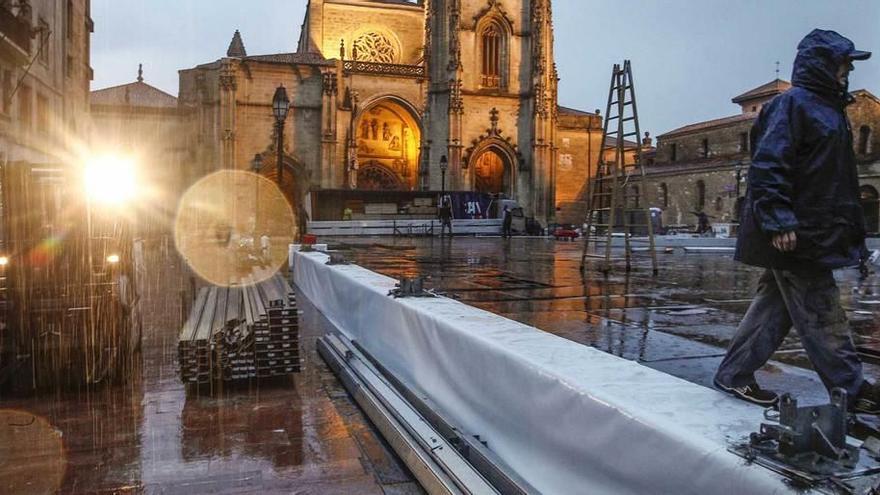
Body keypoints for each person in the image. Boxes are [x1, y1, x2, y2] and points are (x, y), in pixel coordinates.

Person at [713, 29, 879, 413]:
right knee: (821, 310)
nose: (847, 70)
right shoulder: (793, 106)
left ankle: (734, 374)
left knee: (775, 305)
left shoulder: (828, 108)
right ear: (823, 63)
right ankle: (851, 391)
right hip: (797, 233)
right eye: (843, 62)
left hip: (811, 229)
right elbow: (769, 165)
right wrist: (778, 220)